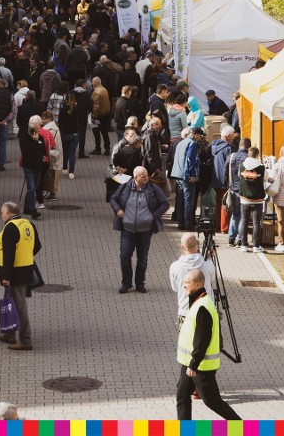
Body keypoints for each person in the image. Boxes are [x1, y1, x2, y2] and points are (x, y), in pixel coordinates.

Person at [175, 269, 241, 420]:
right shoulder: (198, 301)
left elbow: (202, 339)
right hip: (189, 363)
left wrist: (194, 363)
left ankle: (241, 427)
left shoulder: (203, 307)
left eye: (187, 283)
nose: (184, 285)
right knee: (182, 396)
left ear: (198, 284)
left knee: (212, 401)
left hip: (200, 365)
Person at [110, 166, 169, 294]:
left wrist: (153, 216)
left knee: (142, 259)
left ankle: (140, 283)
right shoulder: (125, 188)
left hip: (145, 231)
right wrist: (118, 210)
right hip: (127, 230)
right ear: (135, 177)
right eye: (143, 176)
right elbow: (113, 199)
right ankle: (126, 283)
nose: (146, 178)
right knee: (124, 257)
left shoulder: (153, 189)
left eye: (146, 175)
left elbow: (165, 204)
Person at [0, 202, 42, 350]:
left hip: (14, 272)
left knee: (19, 305)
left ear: (9, 214)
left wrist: (6, 276)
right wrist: (27, 256)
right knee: (11, 302)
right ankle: (9, 333)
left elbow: (8, 254)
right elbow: (37, 245)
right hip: (26, 269)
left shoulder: (10, 228)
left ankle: (25, 339)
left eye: (3, 213)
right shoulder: (28, 223)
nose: (1, 215)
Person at [170, 233, 215, 328]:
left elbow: (175, 288)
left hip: (185, 311)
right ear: (197, 245)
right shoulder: (208, 264)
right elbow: (212, 281)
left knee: (185, 342)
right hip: (206, 311)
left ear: (182, 246)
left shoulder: (175, 266)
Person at [170, 128, 201, 231]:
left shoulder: (180, 143)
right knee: (188, 201)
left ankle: (181, 222)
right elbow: (190, 160)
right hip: (186, 176)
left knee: (180, 200)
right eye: (200, 135)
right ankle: (188, 224)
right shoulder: (192, 143)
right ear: (195, 135)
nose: (200, 138)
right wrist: (192, 175)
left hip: (178, 174)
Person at [237, 146, 266, 253]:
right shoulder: (261, 167)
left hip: (244, 199)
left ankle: (243, 245)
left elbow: (239, 176)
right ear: (257, 155)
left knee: (244, 221)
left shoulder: (241, 166)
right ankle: (256, 246)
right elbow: (266, 178)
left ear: (248, 154)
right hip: (257, 199)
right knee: (256, 223)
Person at [18, 118, 47, 219]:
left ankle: (26, 207)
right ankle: (33, 211)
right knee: (31, 188)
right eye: (39, 125)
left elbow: (43, 149)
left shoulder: (40, 137)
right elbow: (27, 152)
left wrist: (44, 156)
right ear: (33, 126)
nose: (41, 127)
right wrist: (35, 142)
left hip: (38, 166)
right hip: (29, 166)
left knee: (33, 187)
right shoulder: (24, 138)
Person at [209, 126, 236, 233]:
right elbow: (230, 166)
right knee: (226, 204)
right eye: (233, 136)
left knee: (219, 203)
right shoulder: (228, 148)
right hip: (224, 180)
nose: (233, 138)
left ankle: (217, 225)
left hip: (215, 179)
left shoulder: (213, 146)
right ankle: (224, 227)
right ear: (228, 136)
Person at [90, 76, 112, 155]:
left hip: (97, 116)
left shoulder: (96, 92)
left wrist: (93, 117)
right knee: (104, 132)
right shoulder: (104, 89)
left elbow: (96, 107)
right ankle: (107, 149)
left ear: (97, 82)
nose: (92, 83)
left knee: (96, 133)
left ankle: (98, 149)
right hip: (105, 115)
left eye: (93, 82)